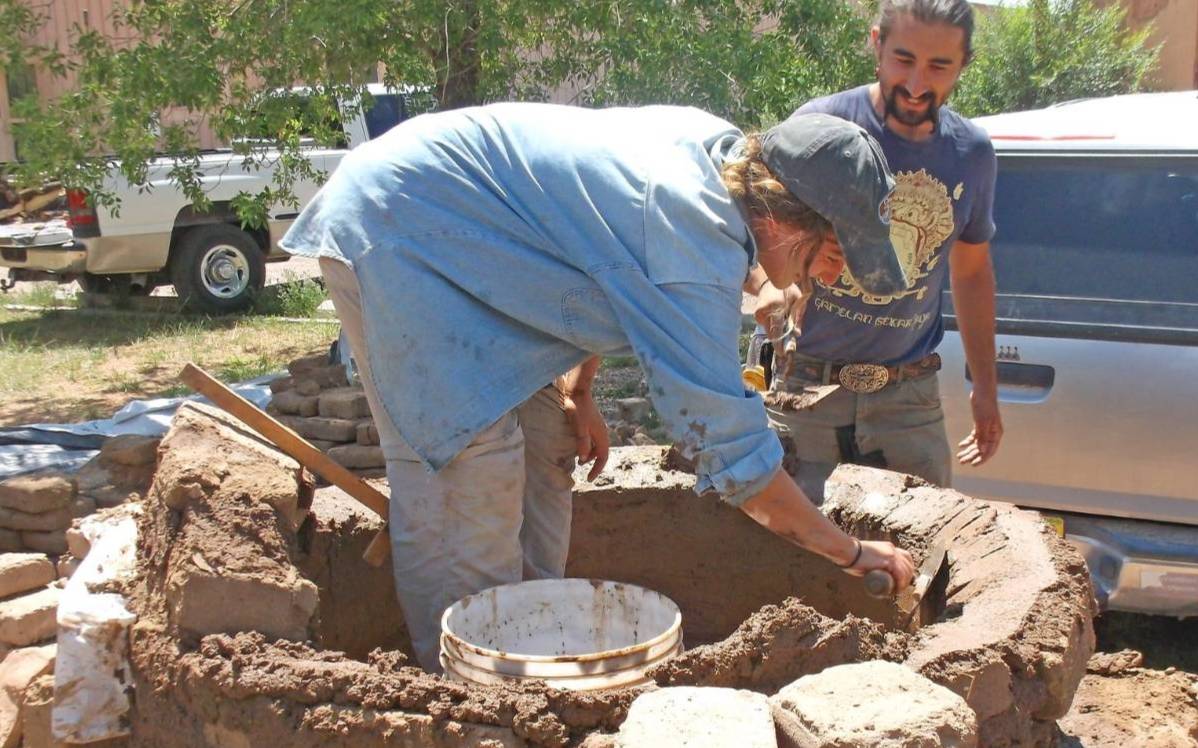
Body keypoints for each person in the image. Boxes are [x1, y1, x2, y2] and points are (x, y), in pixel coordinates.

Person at [281, 103, 916, 670]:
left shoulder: (721, 156)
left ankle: (530, 661)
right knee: (470, 477)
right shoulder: (688, 242)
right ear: (785, 217)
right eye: (837, 249)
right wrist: (851, 553)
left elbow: (596, 250)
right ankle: (467, 702)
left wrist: (579, 392)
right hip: (404, 232)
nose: (836, 274)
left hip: (476, 253)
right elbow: (736, 458)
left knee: (547, 447)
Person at [751, 0, 1001, 503]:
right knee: (786, 556)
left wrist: (986, 387)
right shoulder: (822, 128)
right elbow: (761, 226)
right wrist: (767, 287)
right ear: (877, 45)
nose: (915, 84)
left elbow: (971, 274)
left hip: (907, 402)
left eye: (938, 66)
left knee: (923, 561)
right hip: (804, 390)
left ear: (964, 65)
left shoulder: (970, 154)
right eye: (903, 60)